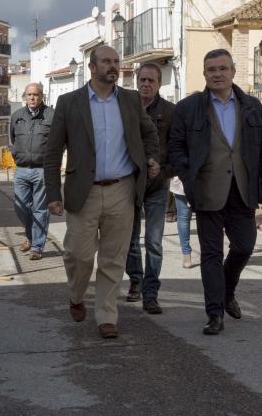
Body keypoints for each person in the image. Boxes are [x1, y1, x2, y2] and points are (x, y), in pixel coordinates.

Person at [44, 45, 160, 339]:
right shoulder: (70, 102)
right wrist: (53, 194)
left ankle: (107, 315)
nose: (113, 66)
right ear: (92, 67)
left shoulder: (131, 100)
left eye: (116, 61)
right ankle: (76, 294)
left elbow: (149, 134)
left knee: (113, 257)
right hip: (84, 191)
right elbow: (54, 149)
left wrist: (150, 157)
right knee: (78, 254)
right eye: (107, 61)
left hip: (122, 188)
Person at [169, 49, 262, 335]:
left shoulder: (251, 106)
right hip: (206, 191)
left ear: (233, 71)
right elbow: (176, 147)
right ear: (204, 74)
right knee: (211, 255)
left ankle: (227, 291)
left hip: (243, 190)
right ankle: (214, 313)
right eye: (211, 70)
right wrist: (186, 173)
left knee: (244, 246)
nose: (217, 74)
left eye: (222, 68)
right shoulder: (189, 107)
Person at [125, 63, 176, 313]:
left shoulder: (169, 112)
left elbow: (177, 150)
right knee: (129, 240)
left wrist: (164, 170)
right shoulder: (124, 107)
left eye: (151, 81)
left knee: (154, 242)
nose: (146, 84)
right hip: (128, 186)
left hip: (157, 187)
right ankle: (136, 279)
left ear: (159, 83)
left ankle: (151, 292)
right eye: (142, 79)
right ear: (136, 81)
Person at [9, 83, 55, 260]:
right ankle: (30, 236)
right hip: (21, 169)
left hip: (42, 170)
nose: (32, 98)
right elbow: (12, 139)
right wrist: (15, 154)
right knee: (20, 207)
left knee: (40, 210)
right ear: (24, 96)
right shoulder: (17, 116)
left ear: (42, 96)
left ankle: (37, 246)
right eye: (29, 95)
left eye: (35, 94)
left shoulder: (51, 115)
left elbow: (60, 141)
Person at [170, 176, 195, 268]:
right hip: (197, 179)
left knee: (183, 218)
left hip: (182, 178)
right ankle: (187, 254)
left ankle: (186, 256)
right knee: (184, 218)